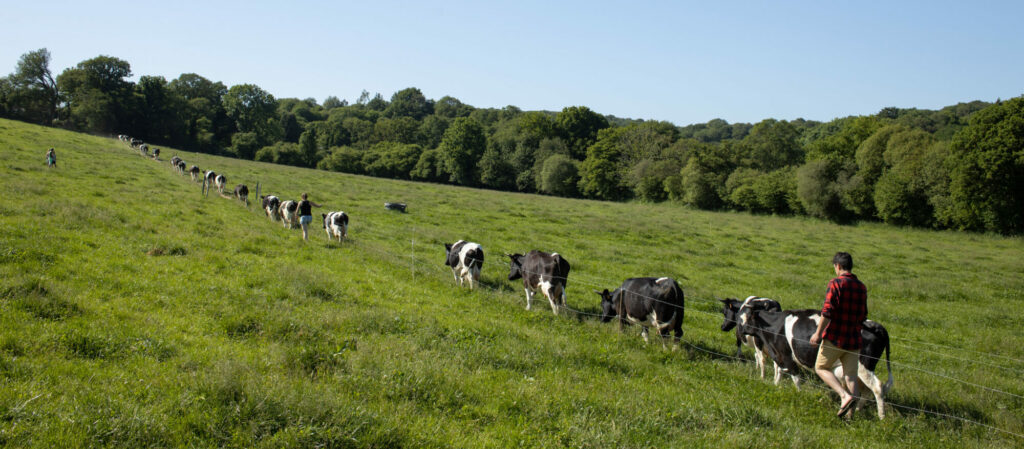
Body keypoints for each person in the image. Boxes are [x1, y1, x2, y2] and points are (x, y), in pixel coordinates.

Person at [809, 251, 867, 418]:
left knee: (820, 367)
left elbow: (827, 311)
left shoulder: (836, 283)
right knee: (851, 376)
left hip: (835, 338)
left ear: (838, 266)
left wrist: (818, 334)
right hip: (854, 339)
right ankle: (850, 415)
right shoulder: (861, 287)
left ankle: (844, 396)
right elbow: (863, 315)